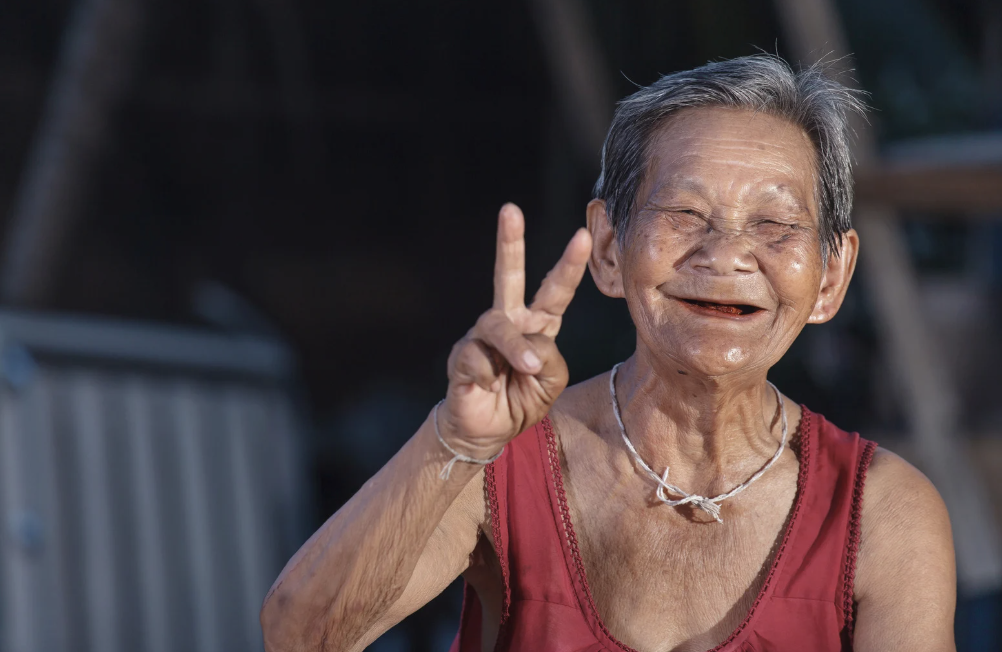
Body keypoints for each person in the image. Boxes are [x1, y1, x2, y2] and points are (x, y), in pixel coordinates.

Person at [259, 55, 956, 652]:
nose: (726, 255)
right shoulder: (503, 460)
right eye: (685, 214)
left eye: (775, 225)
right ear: (611, 247)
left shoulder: (883, 514)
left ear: (831, 276)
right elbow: (299, 636)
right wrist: (454, 439)